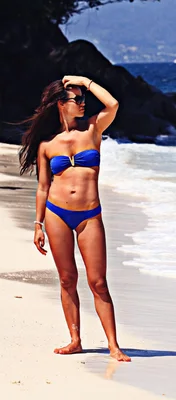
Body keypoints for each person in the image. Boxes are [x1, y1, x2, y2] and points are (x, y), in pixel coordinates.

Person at [18, 75, 130, 362]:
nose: (83, 103)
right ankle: (75, 339)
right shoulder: (47, 144)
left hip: (89, 215)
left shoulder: (93, 130)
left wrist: (85, 81)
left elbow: (113, 104)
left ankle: (113, 345)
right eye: (77, 99)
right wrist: (37, 224)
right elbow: (43, 186)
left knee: (98, 282)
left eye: (83, 99)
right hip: (57, 213)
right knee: (67, 279)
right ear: (61, 104)